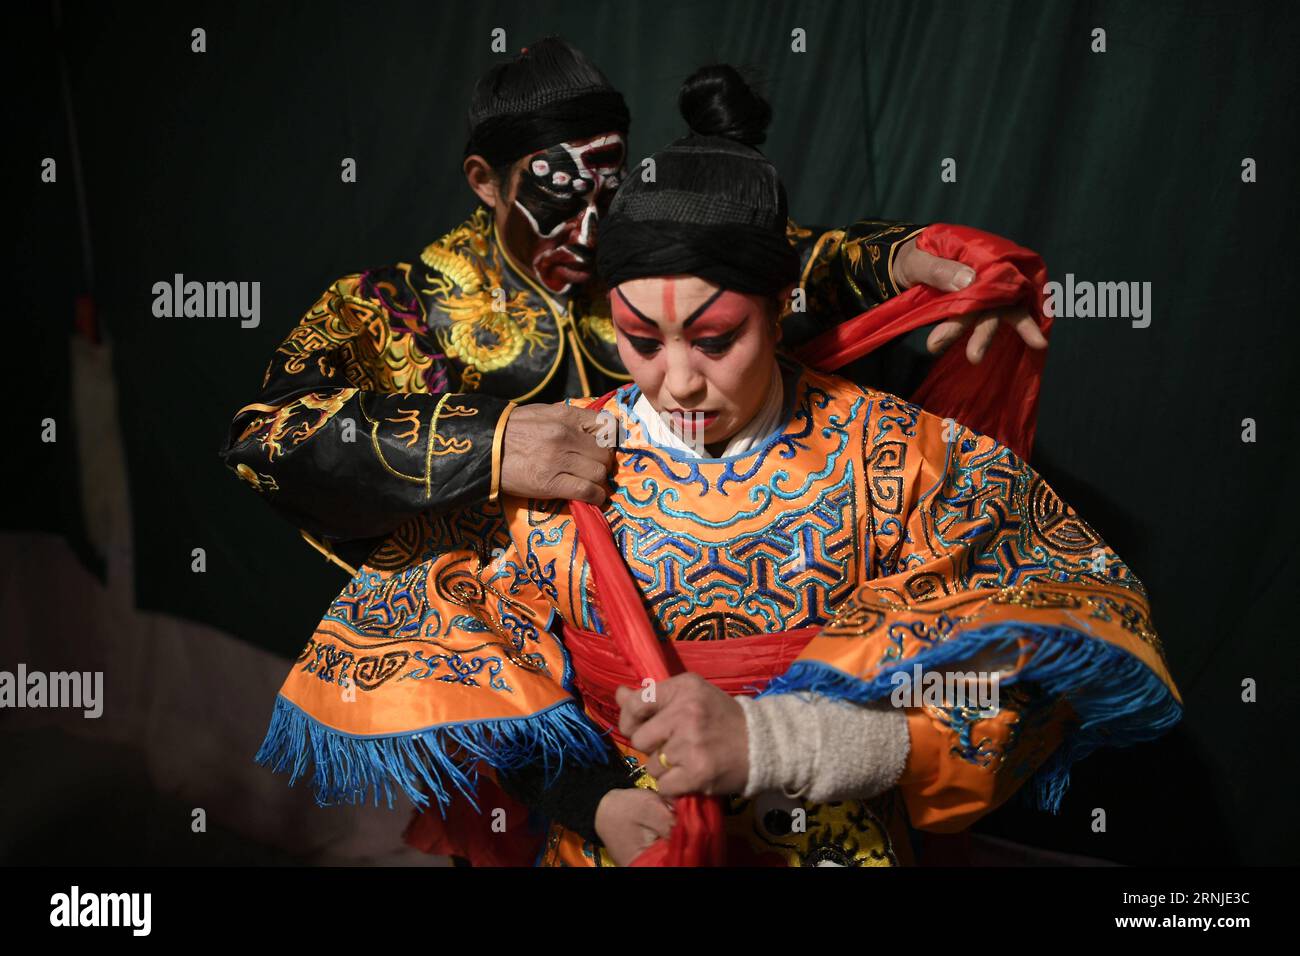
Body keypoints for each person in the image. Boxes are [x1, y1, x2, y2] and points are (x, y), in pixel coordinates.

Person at [253, 66, 1182, 867]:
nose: (678, 382)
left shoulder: (900, 457)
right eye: (636, 341)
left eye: (716, 337)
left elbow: (1027, 674)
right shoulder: (561, 457)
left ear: (784, 307)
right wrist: (592, 801)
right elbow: (488, 671)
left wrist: (783, 740)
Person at [218, 37, 1045, 575]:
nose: (587, 233)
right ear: (483, 180)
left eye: (607, 196)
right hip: (507, 659)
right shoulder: (396, 306)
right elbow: (265, 436)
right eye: (556, 198)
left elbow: (790, 259)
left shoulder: (645, 247)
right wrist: (493, 443)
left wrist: (902, 258)